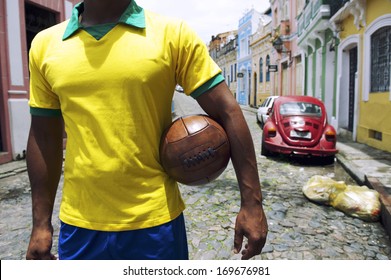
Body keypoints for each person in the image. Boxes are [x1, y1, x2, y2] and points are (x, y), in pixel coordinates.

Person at [26, 0, 268, 260]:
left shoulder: (171, 35)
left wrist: (252, 203)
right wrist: (40, 223)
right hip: (80, 225)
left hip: (156, 224)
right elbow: (44, 136)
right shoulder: (45, 45)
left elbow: (228, 110)